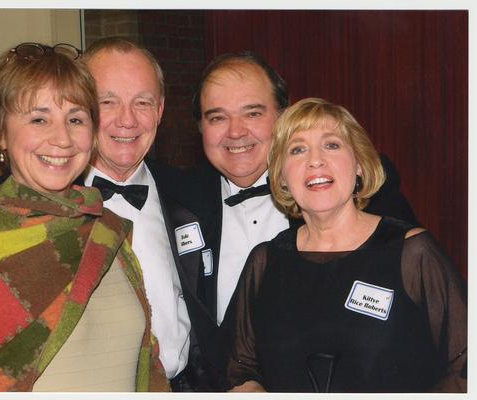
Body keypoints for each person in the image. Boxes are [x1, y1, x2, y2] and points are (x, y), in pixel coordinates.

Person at [158, 51, 420, 391]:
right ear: (199, 128)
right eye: (217, 118)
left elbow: (420, 324)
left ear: (284, 116)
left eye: (252, 112)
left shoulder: (348, 189)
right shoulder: (176, 199)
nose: (236, 132)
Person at [0, 42, 168, 392]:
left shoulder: (106, 228)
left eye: (75, 119)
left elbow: (147, 368)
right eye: (39, 119)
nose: (63, 139)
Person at [226, 97, 467, 392]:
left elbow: (464, 365)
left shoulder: (412, 254)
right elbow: (242, 369)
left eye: (331, 145)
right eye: (298, 149)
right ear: (282, 177)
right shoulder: (265, 262)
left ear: (360, 166)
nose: (315, 160)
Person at [80, 37, 194, 391]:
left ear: (159, 110)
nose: (127, 120)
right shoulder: (42, 204)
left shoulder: (191, 194)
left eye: (142, 102)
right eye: (107, 102)